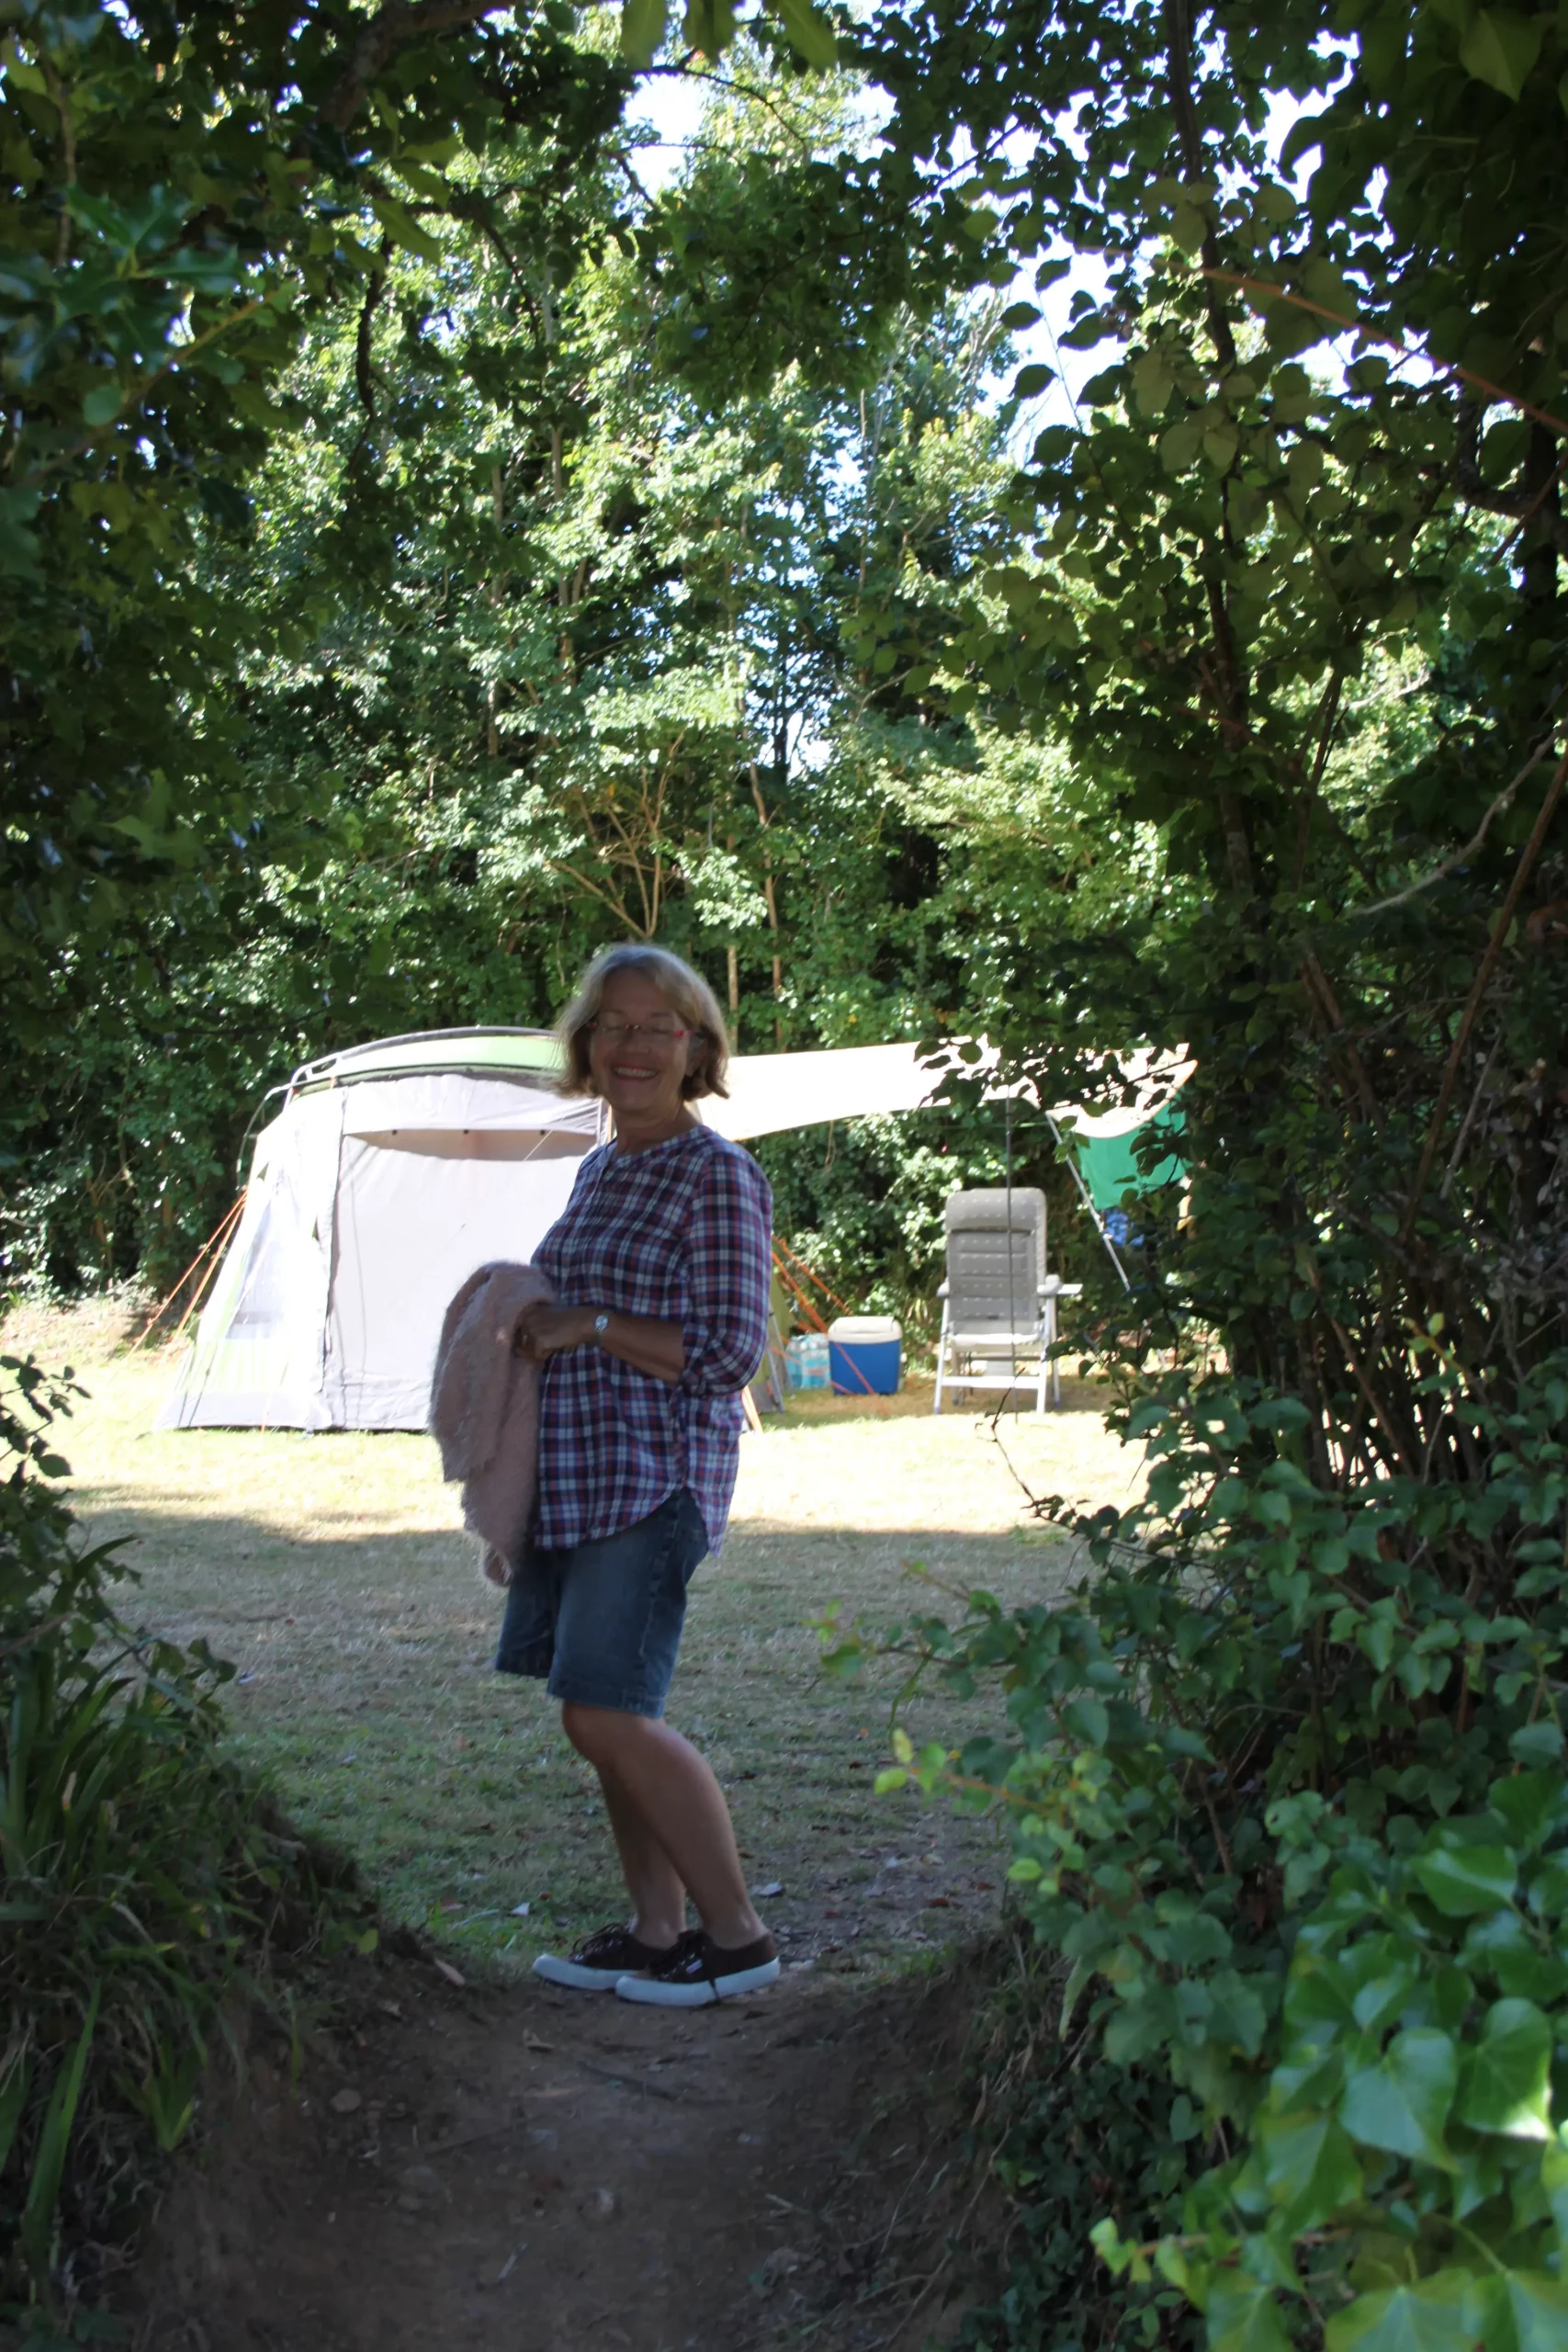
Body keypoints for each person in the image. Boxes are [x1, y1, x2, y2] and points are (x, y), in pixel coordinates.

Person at [496, 943, 778, 2007]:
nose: (632, 1045)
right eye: (612, 1025)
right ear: (586, 1044)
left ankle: (738, 1939)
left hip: (653, 1481)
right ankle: (658, 1933)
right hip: (575, 1478)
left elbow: (728, 1353)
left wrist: (592, 1324)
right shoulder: (602, 1167)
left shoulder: (718, 1175)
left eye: (658, 1026)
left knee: (605, 1714)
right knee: (598, 1705)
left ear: (696, 1048)